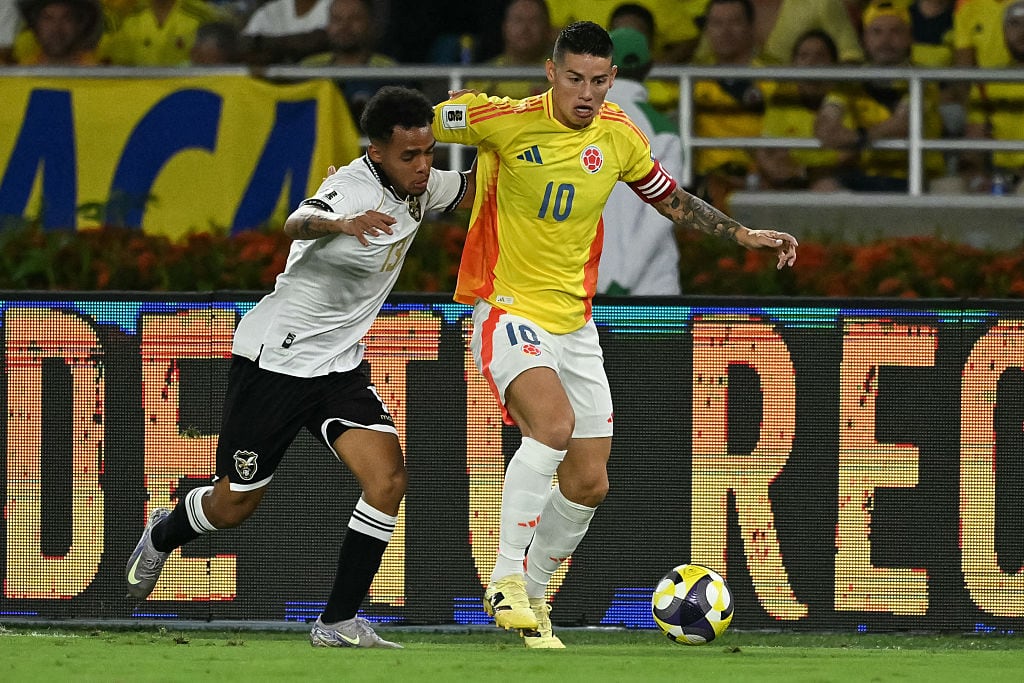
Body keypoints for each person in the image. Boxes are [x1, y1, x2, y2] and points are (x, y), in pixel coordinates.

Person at [432, 20, 797, 649]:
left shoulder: (620, 136)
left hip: (575, 323)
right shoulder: (504, 120)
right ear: (552, 72)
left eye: (598, 81)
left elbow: (670, 198)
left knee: (589, 479)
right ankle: (505, 580)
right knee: (551, 425)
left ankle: (536, 595)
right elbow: (426, 124)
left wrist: (743, 234)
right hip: (506, 306)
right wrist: (377, 165)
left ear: (612, 80)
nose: (586, 92)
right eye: (575, 78)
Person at [125, 85, 474, 649]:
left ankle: (336, 622)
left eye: (429, 152)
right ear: (377, 151)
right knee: (234, 505)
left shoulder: (422, 185)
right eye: (409, 155)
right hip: (276, 361)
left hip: (338, 368)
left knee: (388, 481)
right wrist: (340, 224)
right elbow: (297, 221)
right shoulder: (347, 188)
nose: (423, 165)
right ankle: (165, 533)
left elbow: (483, 185)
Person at [814, 0, 945, 191]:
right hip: (865, 174)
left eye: (896, 31)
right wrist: (838, 132)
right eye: (876, 32)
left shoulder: (922, 79)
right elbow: (824, 125)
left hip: (916, 176)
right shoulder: (849, 82)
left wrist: (857, 138)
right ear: (864, 39)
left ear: (910, 38)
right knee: (823, 188)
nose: (886, 40)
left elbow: (902, 124)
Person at [598, 26, 684, 295]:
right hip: (653, 287)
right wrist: (622, 281)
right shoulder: (664, 131)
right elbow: (661, 213)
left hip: (584, 286)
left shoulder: (574, 122)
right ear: (649, 66)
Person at [691, 0, 775, 207]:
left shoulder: (773, 78)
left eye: (734, 22)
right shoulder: (692, 80)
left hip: (762, 180)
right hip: (708, 185)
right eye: (717, 24)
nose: (725, 31)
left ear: (751, 27)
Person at [755, 28, 843, 191]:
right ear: (794, 64)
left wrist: (802, 170)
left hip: (835, 181)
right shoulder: (782, 99)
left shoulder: (845, 98)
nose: (811, 63)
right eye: (804, 56)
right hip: (787, 182)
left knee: (825, 187)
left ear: (834, 64)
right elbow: (765, 152)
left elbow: (848, 158)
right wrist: (780, 170)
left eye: (820, 56)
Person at [963, 0, 1024, 193]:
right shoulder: (985, 85)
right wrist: (978, 178)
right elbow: (972, 152)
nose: (1023, 31)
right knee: (949, 187)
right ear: (1003, 33)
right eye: (1014, 24)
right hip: (1003, 176)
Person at [301, 0, 397, 122]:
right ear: (328, 25)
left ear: (370, 24)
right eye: (337, 19)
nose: (344, 26)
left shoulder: (388, 69)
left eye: (355, 19)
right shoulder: (308, 67)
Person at [693, 0, 864, 65]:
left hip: (795, 113)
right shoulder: (724, 7)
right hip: (725, 112)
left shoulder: (822, 3)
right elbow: (702, 60)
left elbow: (851, 59)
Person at [466, 0, 554, 99]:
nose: (525, 28)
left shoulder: (560, 76)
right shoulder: (482, 76)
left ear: (548, 29)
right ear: (504, 27)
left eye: (534, 20)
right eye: (518, 20)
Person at [103, 0, 228, 66]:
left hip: (186, 100)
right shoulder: (124, 15)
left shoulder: (202, 16)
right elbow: (109, 65)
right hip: (134, 101)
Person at [13, 0, 104, 65]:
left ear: (79, 25)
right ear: (36, 24)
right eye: (48, 18)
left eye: (66, 18)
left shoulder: (97, 75)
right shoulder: (22, 73)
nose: (56, 28)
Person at [241, 0, 329, 64]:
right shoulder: (271, 10)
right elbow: (246, 46)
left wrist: (267, 45)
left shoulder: (334, 6)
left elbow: (320, 41)